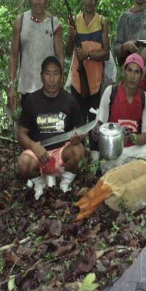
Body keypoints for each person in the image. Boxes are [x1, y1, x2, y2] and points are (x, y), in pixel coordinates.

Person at [17, 56, 85, 192]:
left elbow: (80, 130)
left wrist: (78, 137)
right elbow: (21, 133)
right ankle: (39, 181)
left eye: (55, 74)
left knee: (79, 151)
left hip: (61, 154)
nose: (52, 79)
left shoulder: (70, 101)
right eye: (48, 74)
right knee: (23, 163)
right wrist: (34, 147)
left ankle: (64, 180)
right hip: (39, 153)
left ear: (61, 76)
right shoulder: (32, 100)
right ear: (41, 76)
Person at [96, 53, 146, 173]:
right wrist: (96, 131)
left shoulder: (144, 98)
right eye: (129, 70)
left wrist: (133, 137)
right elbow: (99, 124)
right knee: (107, 165)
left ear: (142, 77)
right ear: (124, 72)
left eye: (137, 72)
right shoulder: (111, 92)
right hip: (115, 151)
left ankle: (128, 172)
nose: (132, 76)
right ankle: (135, 172)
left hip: (136, 149)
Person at [66, 0, 110, 153]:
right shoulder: (74, 20)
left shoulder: (102, 22)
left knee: (95, 124)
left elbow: (106, 53)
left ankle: (95, 160)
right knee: (77, 124)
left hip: (95, 83)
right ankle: (78, 159)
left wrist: (89, 55)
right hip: (78, 82)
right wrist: (70, 38)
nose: (90, 1)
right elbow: (69, 51)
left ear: (97, 0)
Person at [8, 0, 64, 109]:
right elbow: (14, 56)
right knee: (28, 127)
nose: (38, 1)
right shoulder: (20, 21)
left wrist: (59, 81)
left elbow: (60, 56)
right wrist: (11, 85)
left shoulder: (53, 23)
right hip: (27, 88)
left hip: (49, 89)